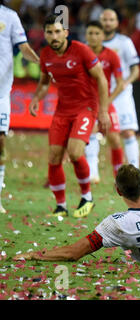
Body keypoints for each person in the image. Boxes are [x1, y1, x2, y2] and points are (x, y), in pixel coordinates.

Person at [28, 14, 111, 218]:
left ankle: (87, 197)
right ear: (45, 34)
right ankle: (61, 206)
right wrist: (36, 98)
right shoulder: (46, 54)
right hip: (62, 110)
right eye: (49, 32)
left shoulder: (81, 50)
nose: (54, 36)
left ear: (66, 32)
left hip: (86, 108)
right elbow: (45, 82)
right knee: (54, 157)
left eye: (57, 32)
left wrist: (103, 110)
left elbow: (101, 78)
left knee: (75, 152)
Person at [0, 2, 39, 213]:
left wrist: (40, 63)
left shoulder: (10, 16)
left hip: (1, 93)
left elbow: (23, 47)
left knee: (0, 142)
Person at [96, 9, 140, 177]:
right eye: (104, 19)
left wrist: (125, 84)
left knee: (128, 131)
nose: (107, 23)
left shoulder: (124, 42)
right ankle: (93, 173)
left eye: (111, 20)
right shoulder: (92, 42)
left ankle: (135, 170)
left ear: (116, 23)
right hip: (99, 94)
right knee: (96, 132)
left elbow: (135, 70)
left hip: (121, 94)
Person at [84, 21, 124, 179]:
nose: (93, 37)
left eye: (96, 33)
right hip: (85, 103)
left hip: (105, 102)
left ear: (102, 36)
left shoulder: (111, 55)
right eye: (90, 33)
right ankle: (93, 173)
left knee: (114, 138)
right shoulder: (81, 53)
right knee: (91, 133)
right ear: (86, 35)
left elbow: (120, 84)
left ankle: (119, 177)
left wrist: (107, 103)